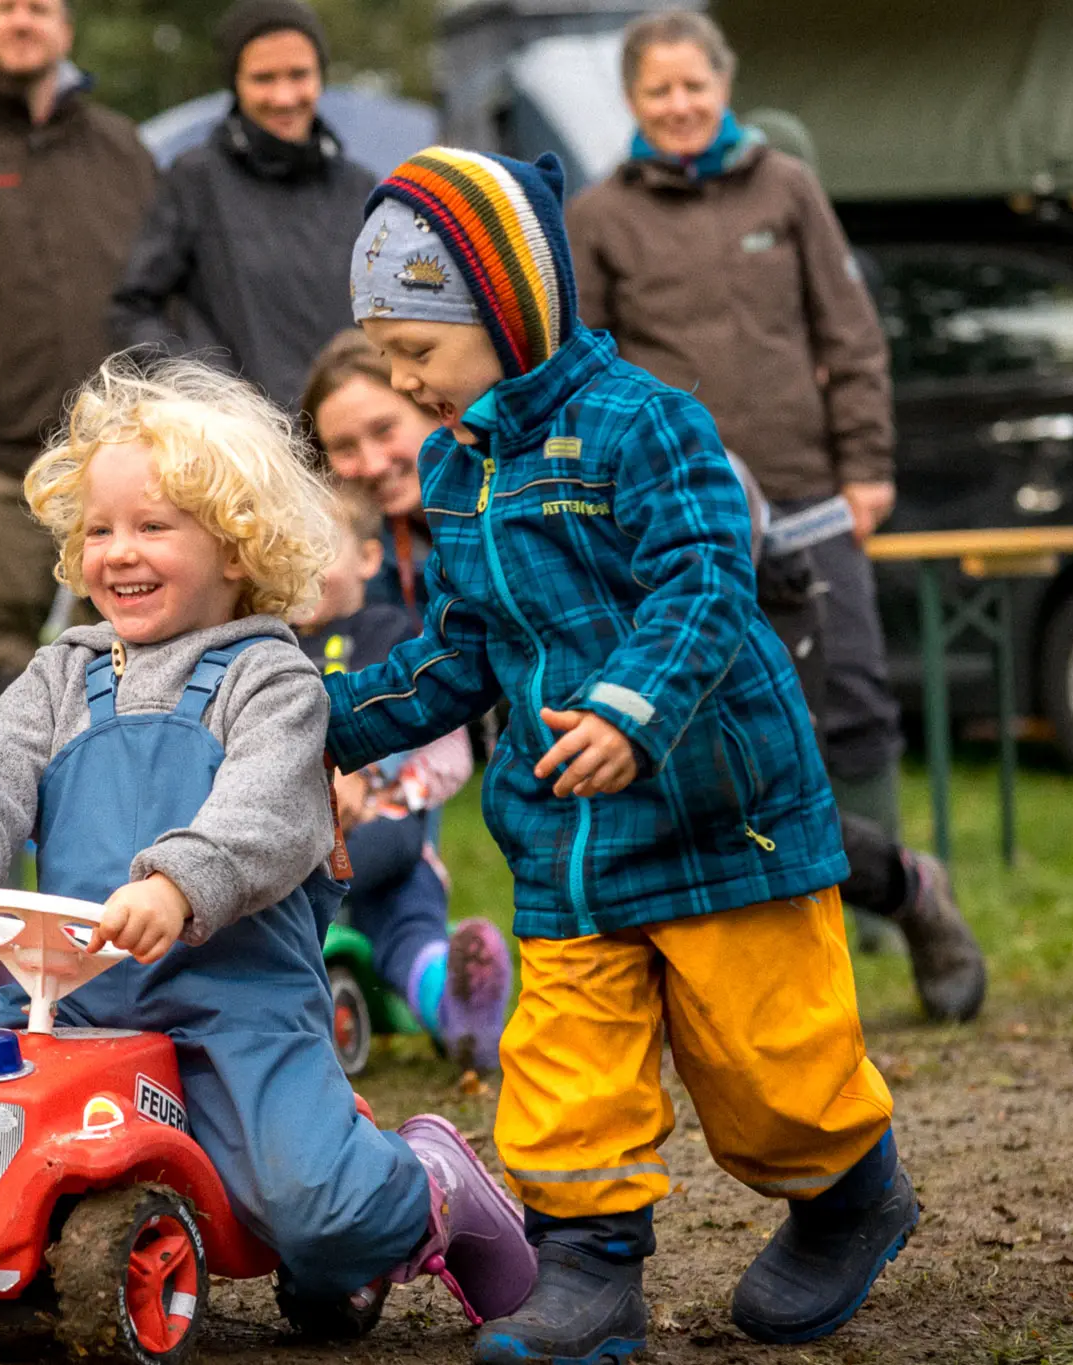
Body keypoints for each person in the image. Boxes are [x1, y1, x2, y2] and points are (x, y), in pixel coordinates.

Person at [329, 146, 920, 1361]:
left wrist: (629, 707)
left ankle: (848, 1196)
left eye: (417, 351)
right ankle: (588, 1271)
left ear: (506, 310)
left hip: (716, 815)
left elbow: (706, 581)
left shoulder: (647, 425)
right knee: (562, 1063)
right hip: (562, 837)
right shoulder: (455, 468)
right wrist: (312, 724)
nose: (402, 381)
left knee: (769, 1076)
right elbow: (457, 652)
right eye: (385, 355)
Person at [0, 355, 536, 1328]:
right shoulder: (59, 676)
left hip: (232, 1007)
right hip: (65, 1003)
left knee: (308, 1204)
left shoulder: (268, 679)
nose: (119, 551)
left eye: (153, 527)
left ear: (234, 548)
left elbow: (269, 811)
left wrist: (178, 885)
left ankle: (427, 1183)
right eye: (99, 529)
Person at [563, 9, 984, 1022]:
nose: (676, 106)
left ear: (723, 86)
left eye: (691, 88)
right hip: (675, 512)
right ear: (630, 100)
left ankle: (886, 913)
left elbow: (849, 332)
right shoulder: (599, 216)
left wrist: (864, 467)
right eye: (656, 91)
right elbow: (586, 370)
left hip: (804, 496)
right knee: (711, 728)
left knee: (846, 699)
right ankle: (774, 926)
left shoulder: (785, 189)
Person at [0, 0, 157, 757]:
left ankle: (118, 866)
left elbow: (162, 291)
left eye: (40, 7)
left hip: (119, 461)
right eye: (3, 7)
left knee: (134, 674)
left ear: (67, 27)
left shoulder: (122, 147)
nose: (23, 21)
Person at [293, 485, 511, 1072]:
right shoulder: (265, 646)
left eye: (318, 549)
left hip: (383, 833)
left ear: (367, 559)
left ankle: (455, 1001)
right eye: (284, 551)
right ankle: (280, 1008)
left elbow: (430, 729)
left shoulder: (390, 634)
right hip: (295, 837)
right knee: (285, 891)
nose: (302, 567)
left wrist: (373, 780)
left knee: (407, 925)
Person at [108, 0, 377, 407]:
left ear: (321, 77)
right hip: (247, 446)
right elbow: (132, 311)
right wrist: (210, 392)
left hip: (349, 442)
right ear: (236, 84)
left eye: (299, 75)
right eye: (263, 78)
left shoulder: (357, 187)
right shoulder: (196, 179)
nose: (284, 97)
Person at [302, 330, 437, 631]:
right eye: (344, 448)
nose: (373, 465)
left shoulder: (516, 505)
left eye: (384, 429)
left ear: (434, 409)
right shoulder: (348, 564)